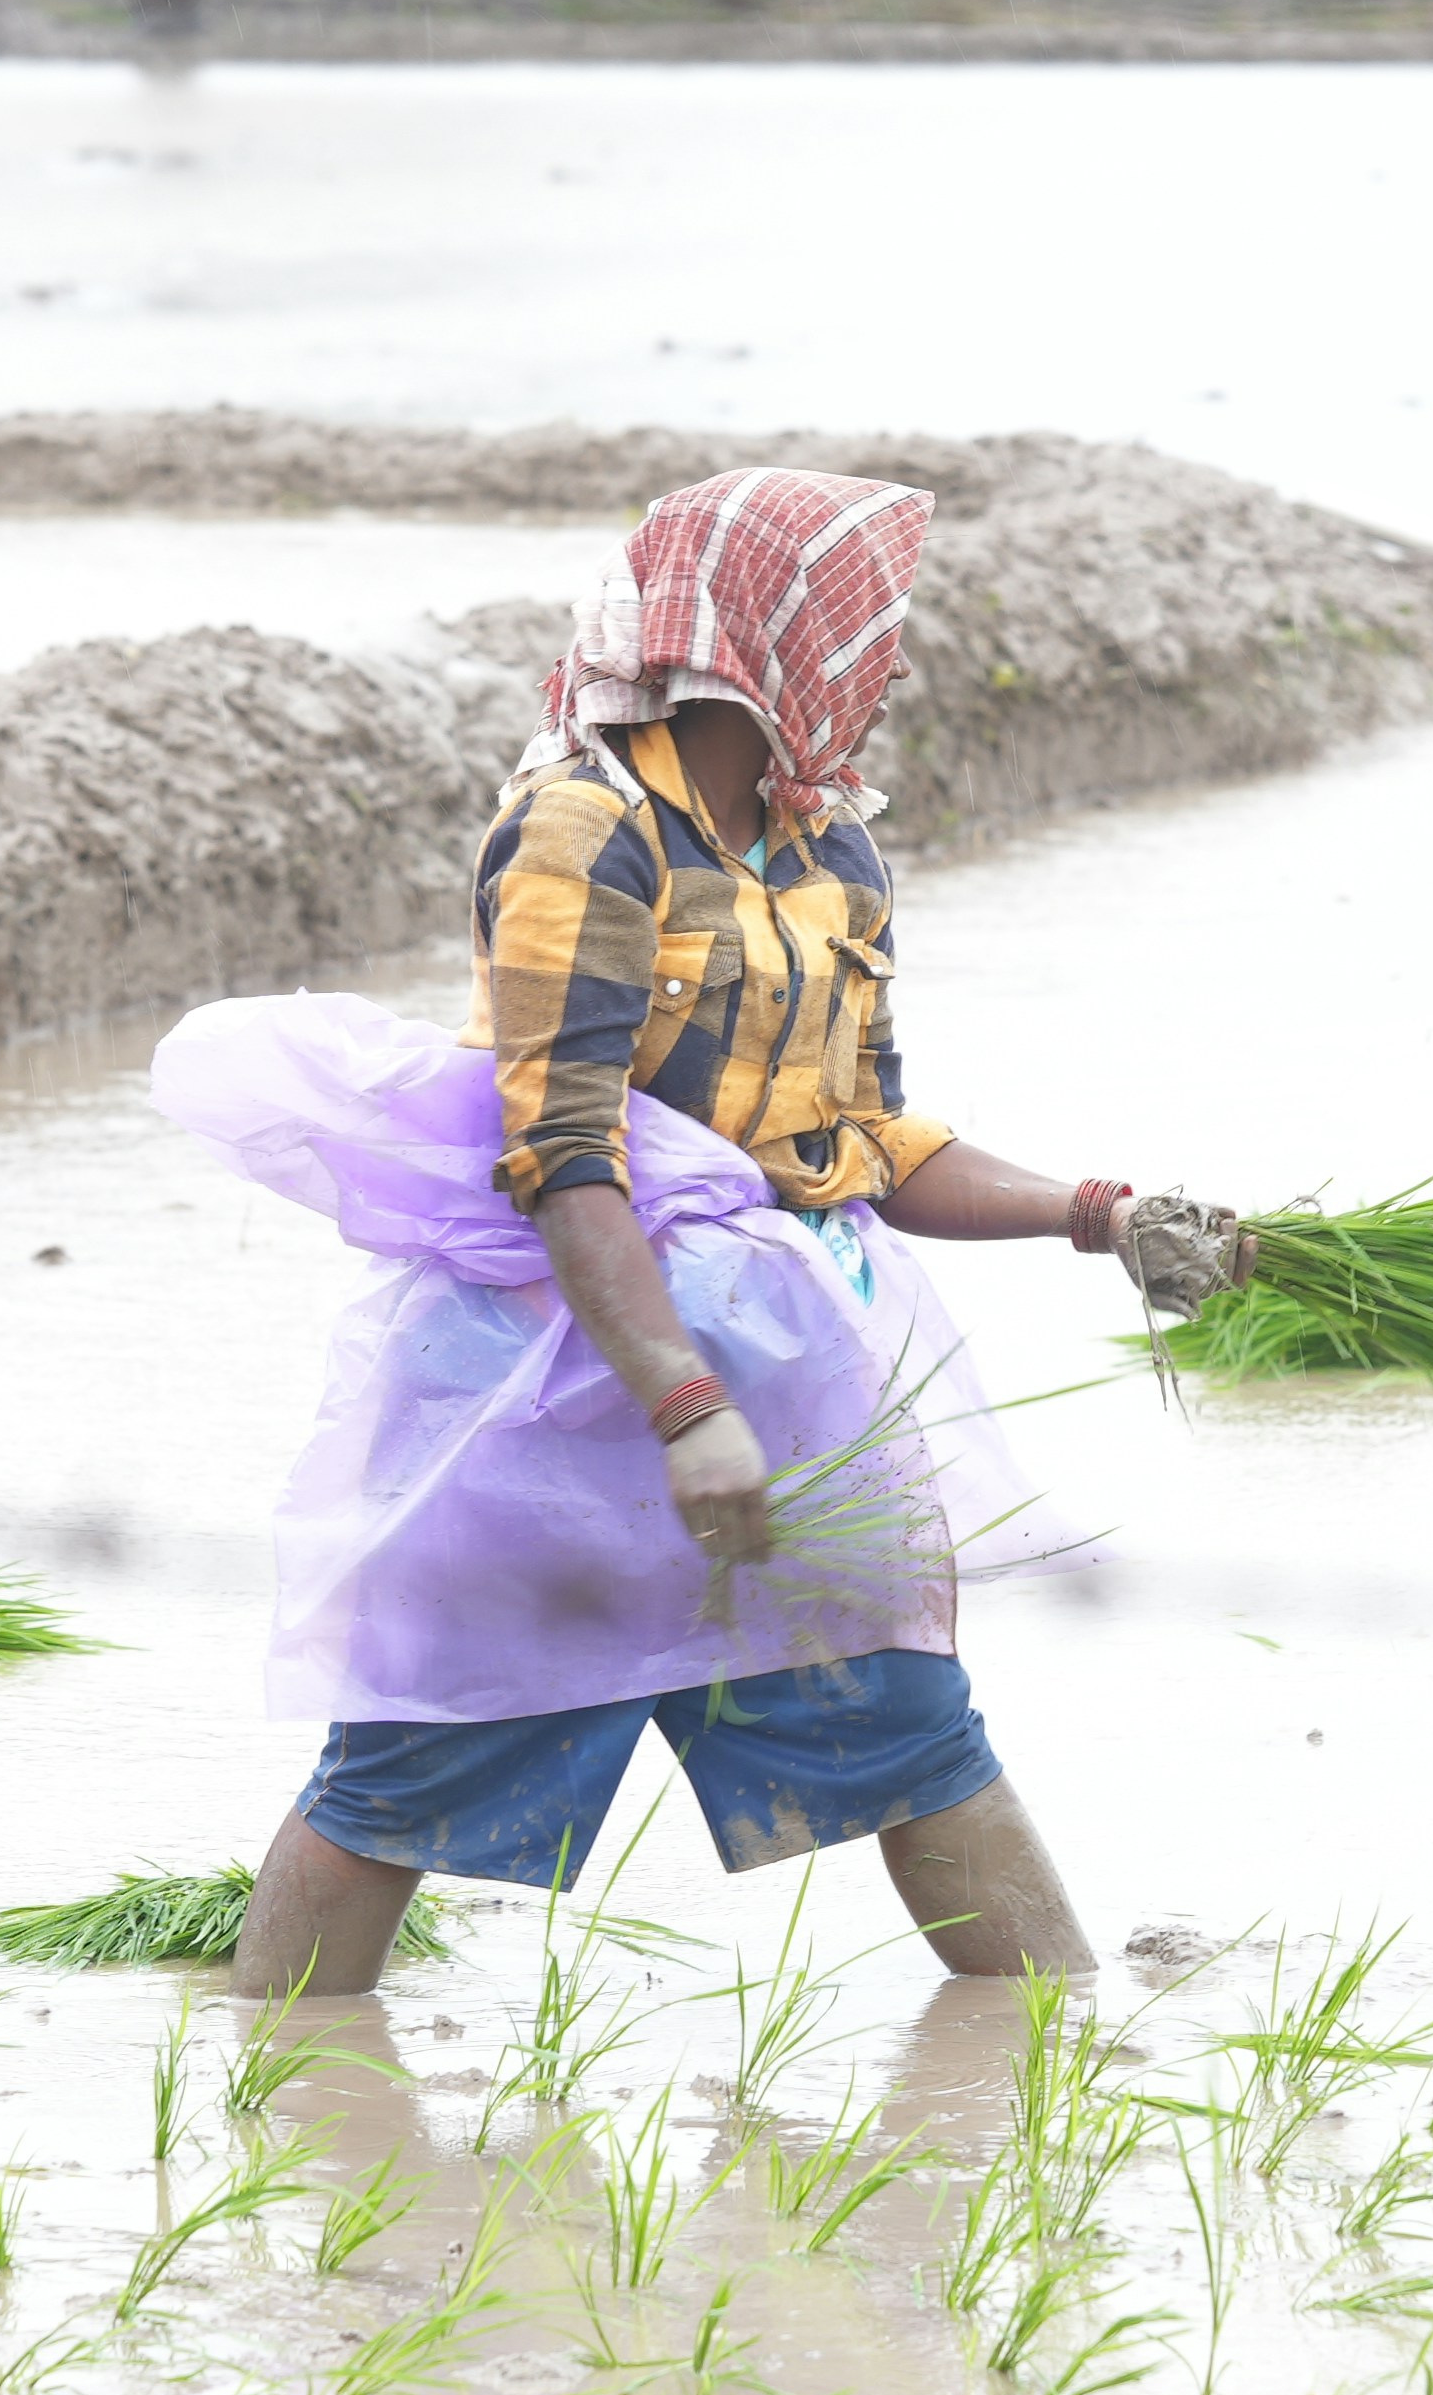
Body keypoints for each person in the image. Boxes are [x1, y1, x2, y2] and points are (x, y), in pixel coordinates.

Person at [157, 466, 1252, 2002]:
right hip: (561, 1391)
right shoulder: (580, 831)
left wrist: (1102, 1216)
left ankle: (1062, 2063)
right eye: (867, 628)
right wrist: (682, 1407)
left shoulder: (831, 855)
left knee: (912, 1736)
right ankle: (260, 2100)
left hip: (790, 1377)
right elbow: (560, 1158)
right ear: (759, 640)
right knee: (411, 1765)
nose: (893, 663)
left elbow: (856, 1145)